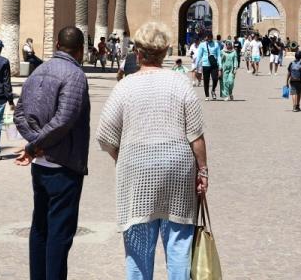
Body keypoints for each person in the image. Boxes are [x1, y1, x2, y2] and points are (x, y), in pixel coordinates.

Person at [95, 22, 209, 280]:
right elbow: (196, 136)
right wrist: (203, 172)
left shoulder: (124, 86)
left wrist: (122, 156)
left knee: (137, 246)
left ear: (138, 53)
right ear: (166, 52)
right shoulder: (180, 83)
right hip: (178, 169)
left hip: (136, 171)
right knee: (179, 243)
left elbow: (104, 134)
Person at [14, 26, 92, 280]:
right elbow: (64, 120)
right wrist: (37, 144)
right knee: (59, 232)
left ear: (57, 44)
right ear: (80, 50)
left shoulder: (38, 72)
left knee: (40, 228)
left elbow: (19, 114)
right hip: (64, 165)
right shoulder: (75, 75)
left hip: (41, 164)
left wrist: (34, 144)